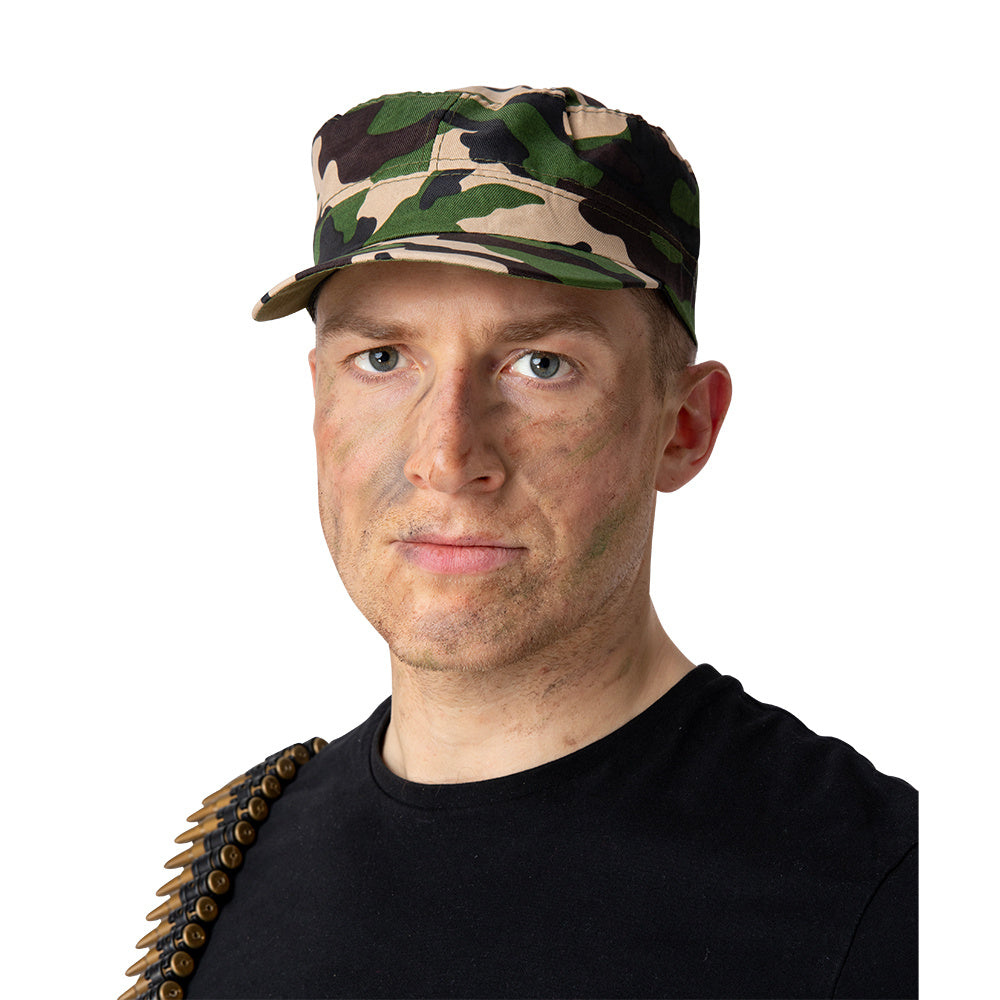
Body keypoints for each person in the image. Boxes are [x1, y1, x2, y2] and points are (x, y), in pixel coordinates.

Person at [121, 86, 917, 1000]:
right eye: (382, 360)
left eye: (542, 365)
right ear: (317, 400)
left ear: (684, 427)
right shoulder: (244, 857)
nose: (446, 456)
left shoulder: (892, 898)